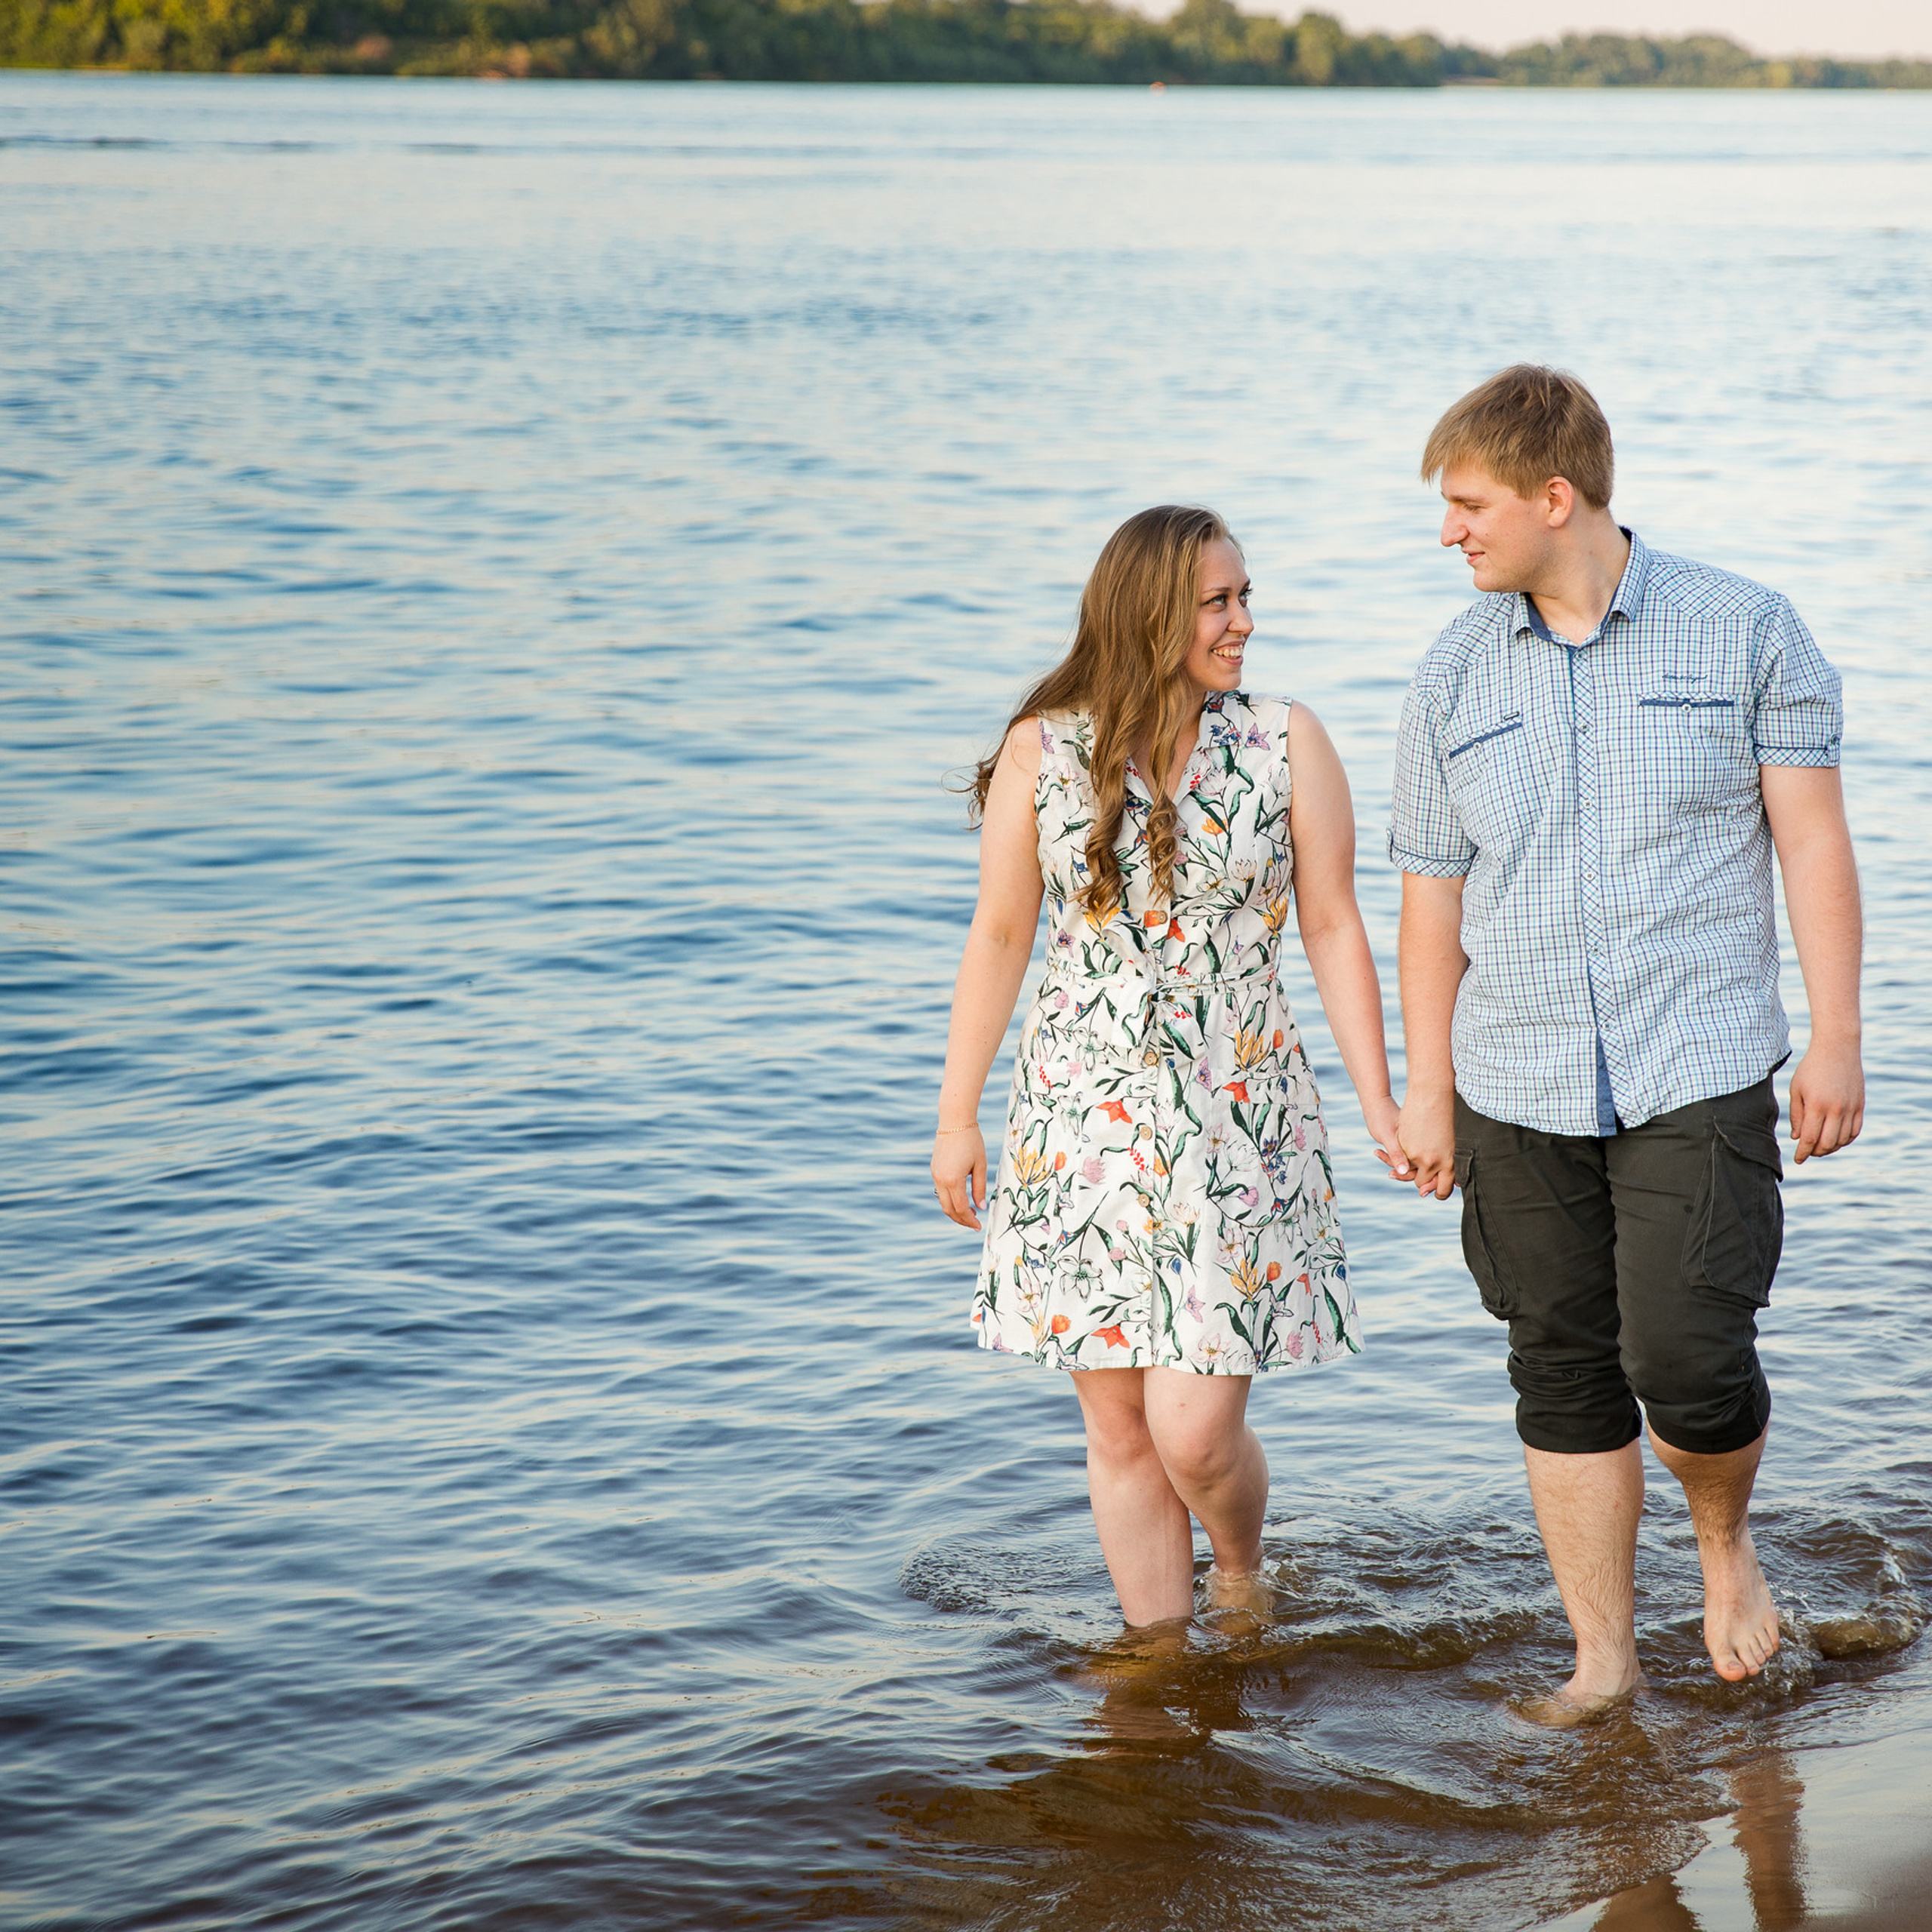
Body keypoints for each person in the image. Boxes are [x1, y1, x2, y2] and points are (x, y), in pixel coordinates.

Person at [1389, 366, 1863, 1721]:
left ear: (1557, 497)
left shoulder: (1747, 629)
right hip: (1513, 1079)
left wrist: (1837, 1037)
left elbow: (1812, 845)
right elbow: (1431, 901)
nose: (1450, 533)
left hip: (1696, 1058)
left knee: (1687, 1358)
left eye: (1469, 505)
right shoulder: (1451, 671)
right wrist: (1429, 1091)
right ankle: (1603, 1660)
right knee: (1561, 1363)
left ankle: (1724, 1551)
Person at [932, 504, 1407, 1628]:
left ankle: (1239, 1568)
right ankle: (1155, 1665)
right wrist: (958, 1116)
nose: (1245, 621)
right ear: (1152, 614)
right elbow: (1000, 934)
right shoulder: (1043, 754)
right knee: (1116, 1427)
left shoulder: (1287, 741)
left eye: (1246, 597)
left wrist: (1383, 1099)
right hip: (1080, 1119)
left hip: (1239, 1117)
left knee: (1193, 1432)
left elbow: (1334, 925)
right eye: (1219, 602)